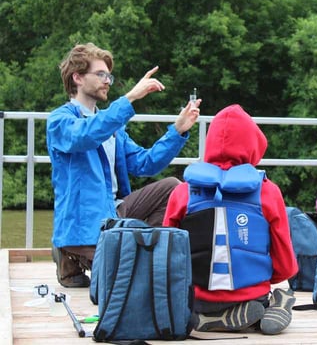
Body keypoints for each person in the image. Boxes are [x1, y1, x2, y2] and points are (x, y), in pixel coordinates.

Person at [46, 42, 201, 288]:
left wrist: (178, 130)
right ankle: (70, 251)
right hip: (86, 220)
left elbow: (146, 163)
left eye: (109, 75)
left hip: (115, 213)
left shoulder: (113, 128)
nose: (107, 80)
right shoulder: (60, 121)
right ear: (77, 78)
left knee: (172, 187)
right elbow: (86, 135)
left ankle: (137, 251)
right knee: (125, 276)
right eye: (100, 74)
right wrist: (131, 97)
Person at [163, 104, 298, 335]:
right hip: (251, 295)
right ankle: (278, 303)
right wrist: (271, 278)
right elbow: (284, 263)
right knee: (266, 296)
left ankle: (205, 316)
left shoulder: (182, 192)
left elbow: (166, 253)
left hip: (195, 296)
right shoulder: (268, 191)